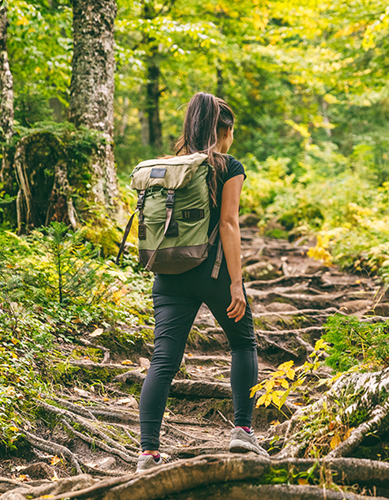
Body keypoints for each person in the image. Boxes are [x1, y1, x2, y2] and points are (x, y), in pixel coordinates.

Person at [137, 92, 268, 471]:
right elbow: (228, 223)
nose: (232, 139)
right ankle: (242, 431)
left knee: (163, 360)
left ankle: (147, 452)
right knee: (243, 343)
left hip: (169, 274)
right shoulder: (227, 165)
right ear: (222, 130)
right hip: (213, 273)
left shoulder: (167, 166)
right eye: (232, 131)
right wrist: (236, 283)